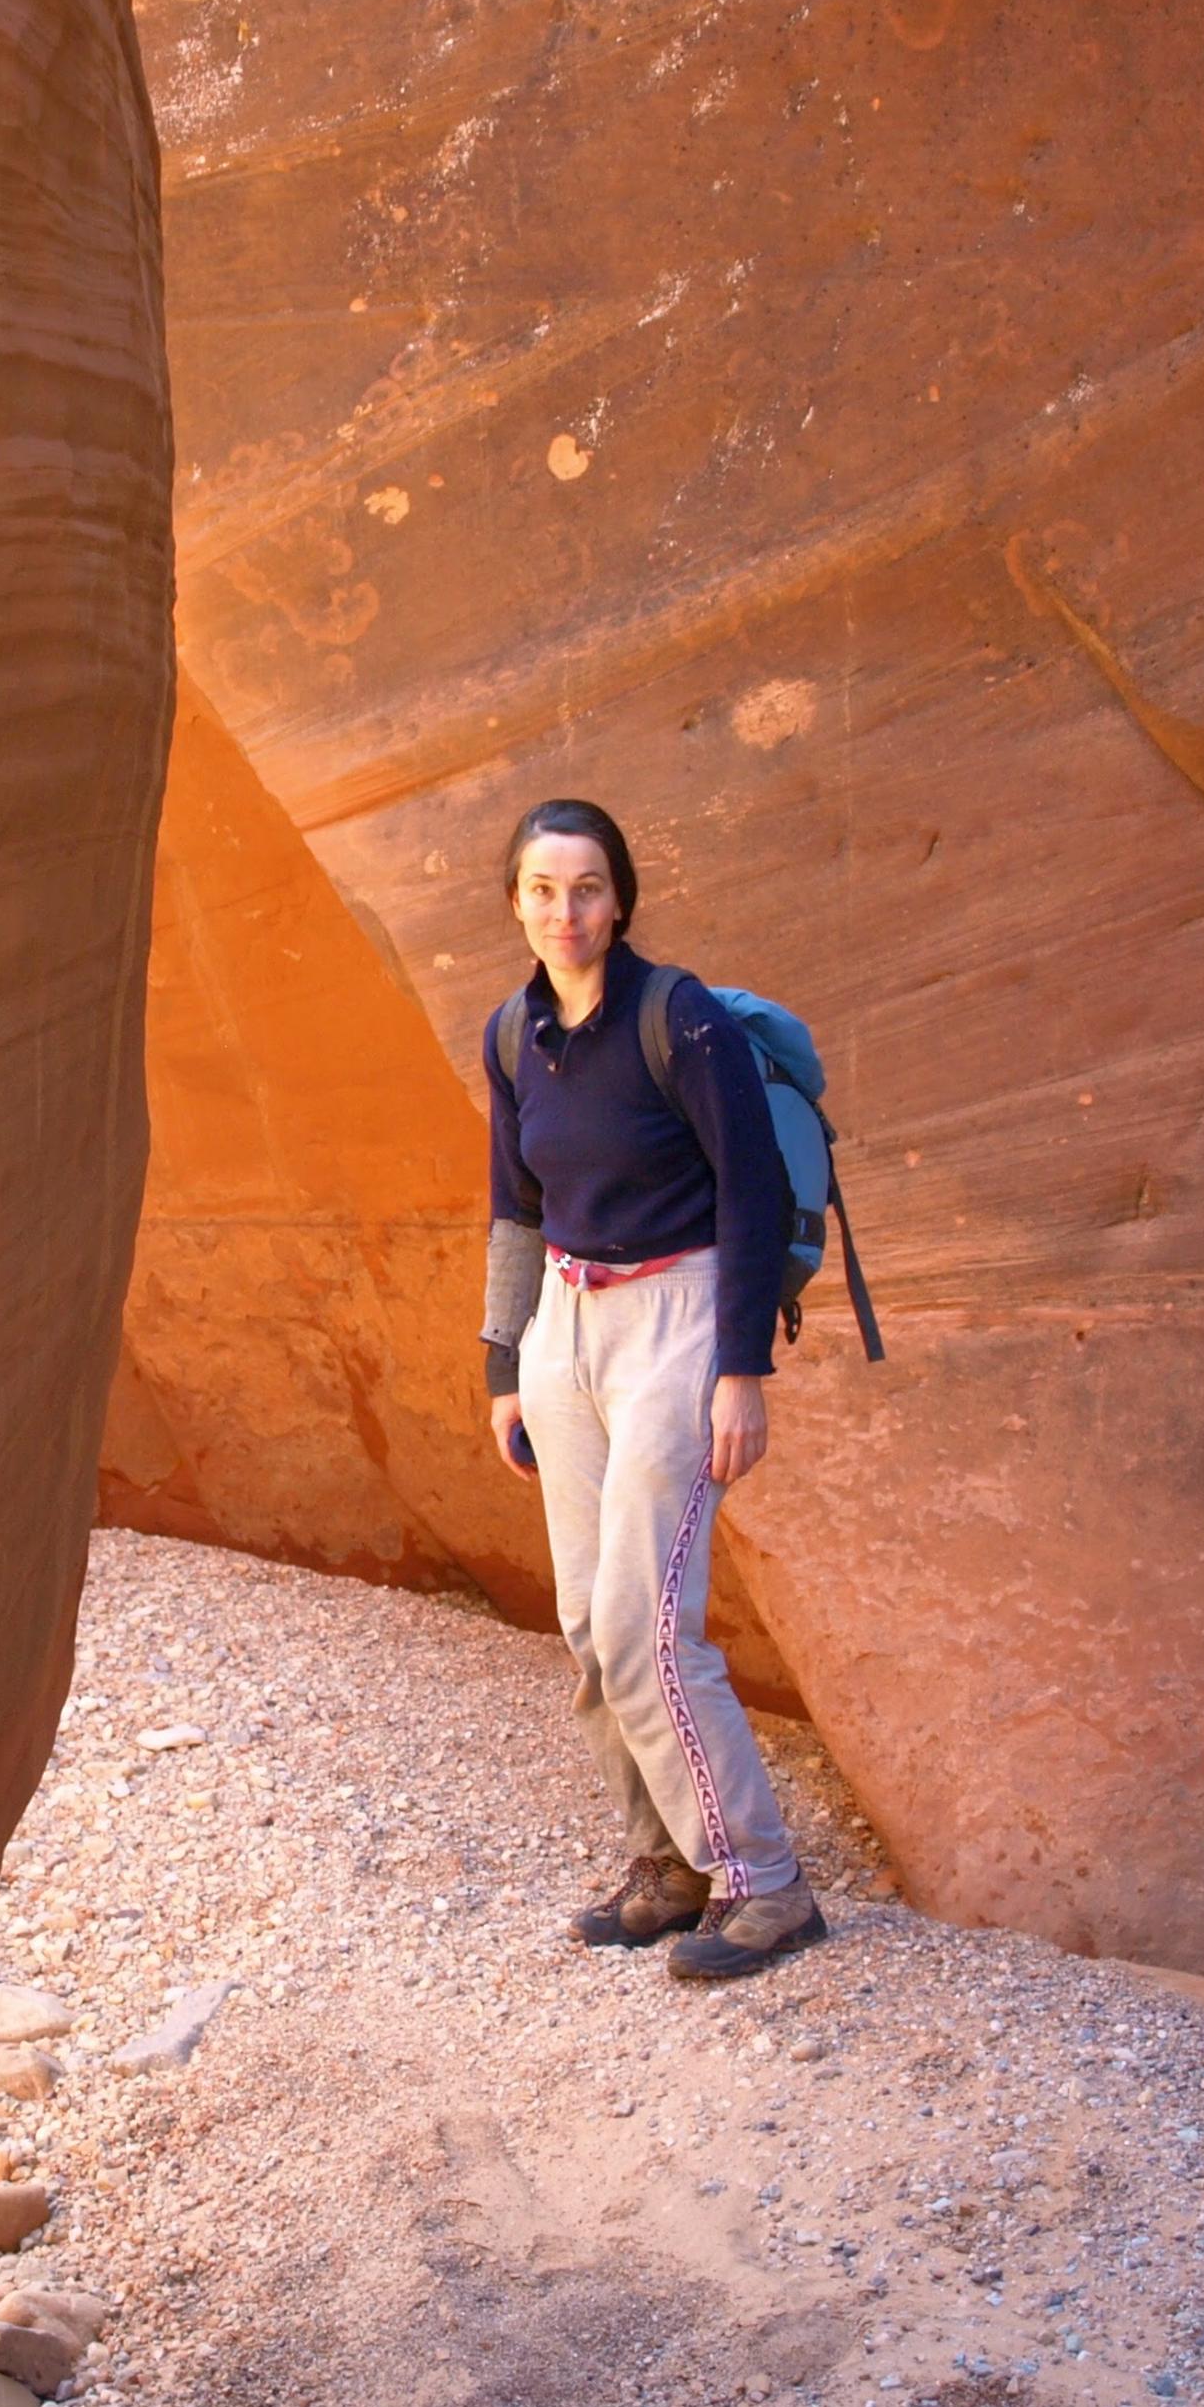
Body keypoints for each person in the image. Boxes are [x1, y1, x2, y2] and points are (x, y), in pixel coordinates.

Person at [479, 798, 823, 1979]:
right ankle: (669, 1865)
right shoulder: (514, 1033)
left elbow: (753, 1195)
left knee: (646, 1626)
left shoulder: (679, 1019)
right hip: (562, 1327)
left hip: (678, 1320)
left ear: (619, 898)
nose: (564, 912)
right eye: (541, 889)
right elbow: (514, 1207)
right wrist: (505, 1367)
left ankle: (766, 1885)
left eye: (585, 888)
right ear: (515, 901)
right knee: (588, 1622)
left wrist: (741, 1371)